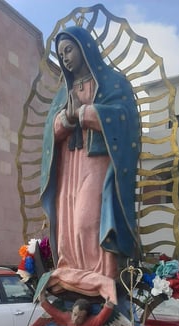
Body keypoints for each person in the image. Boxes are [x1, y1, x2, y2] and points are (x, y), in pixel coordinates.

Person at [40, 26, 141, 306]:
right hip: (68, 165)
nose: (66, 58)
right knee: (67, 223)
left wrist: (85, 113)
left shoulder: (112, 82)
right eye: (61, 54)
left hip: (97, 161)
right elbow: (50, 131)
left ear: (85, 48)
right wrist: (65, 120)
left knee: (87, 219)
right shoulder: (65, 91)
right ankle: (70, 273)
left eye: (69, 50)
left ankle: (102, 275)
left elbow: (126, 118)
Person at [30, 292, 115, 326]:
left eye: (80, 317)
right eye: (74, 314)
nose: (75, 319)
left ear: (86, 317)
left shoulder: (92, 322)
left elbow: (102, 317)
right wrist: (43, 300)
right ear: (72, 311)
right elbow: (54, 312)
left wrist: (108, 306)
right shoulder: (68, 317)